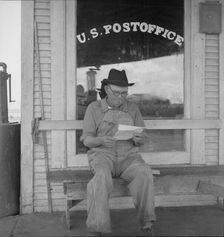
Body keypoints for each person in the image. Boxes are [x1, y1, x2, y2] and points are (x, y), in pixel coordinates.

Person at [81, 68, 156, 236]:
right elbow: (87, 140)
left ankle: (147, 226)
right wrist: (100, 140)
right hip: (102, 155)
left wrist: (139, 139)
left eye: (124, 93)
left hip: (128, 156)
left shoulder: (133, 108)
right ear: (107, 89)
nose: (121, 97)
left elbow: (142, 136)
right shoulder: (93, 108)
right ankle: (97, 229)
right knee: (100, 178)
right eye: (117, 93)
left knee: (144, 172)